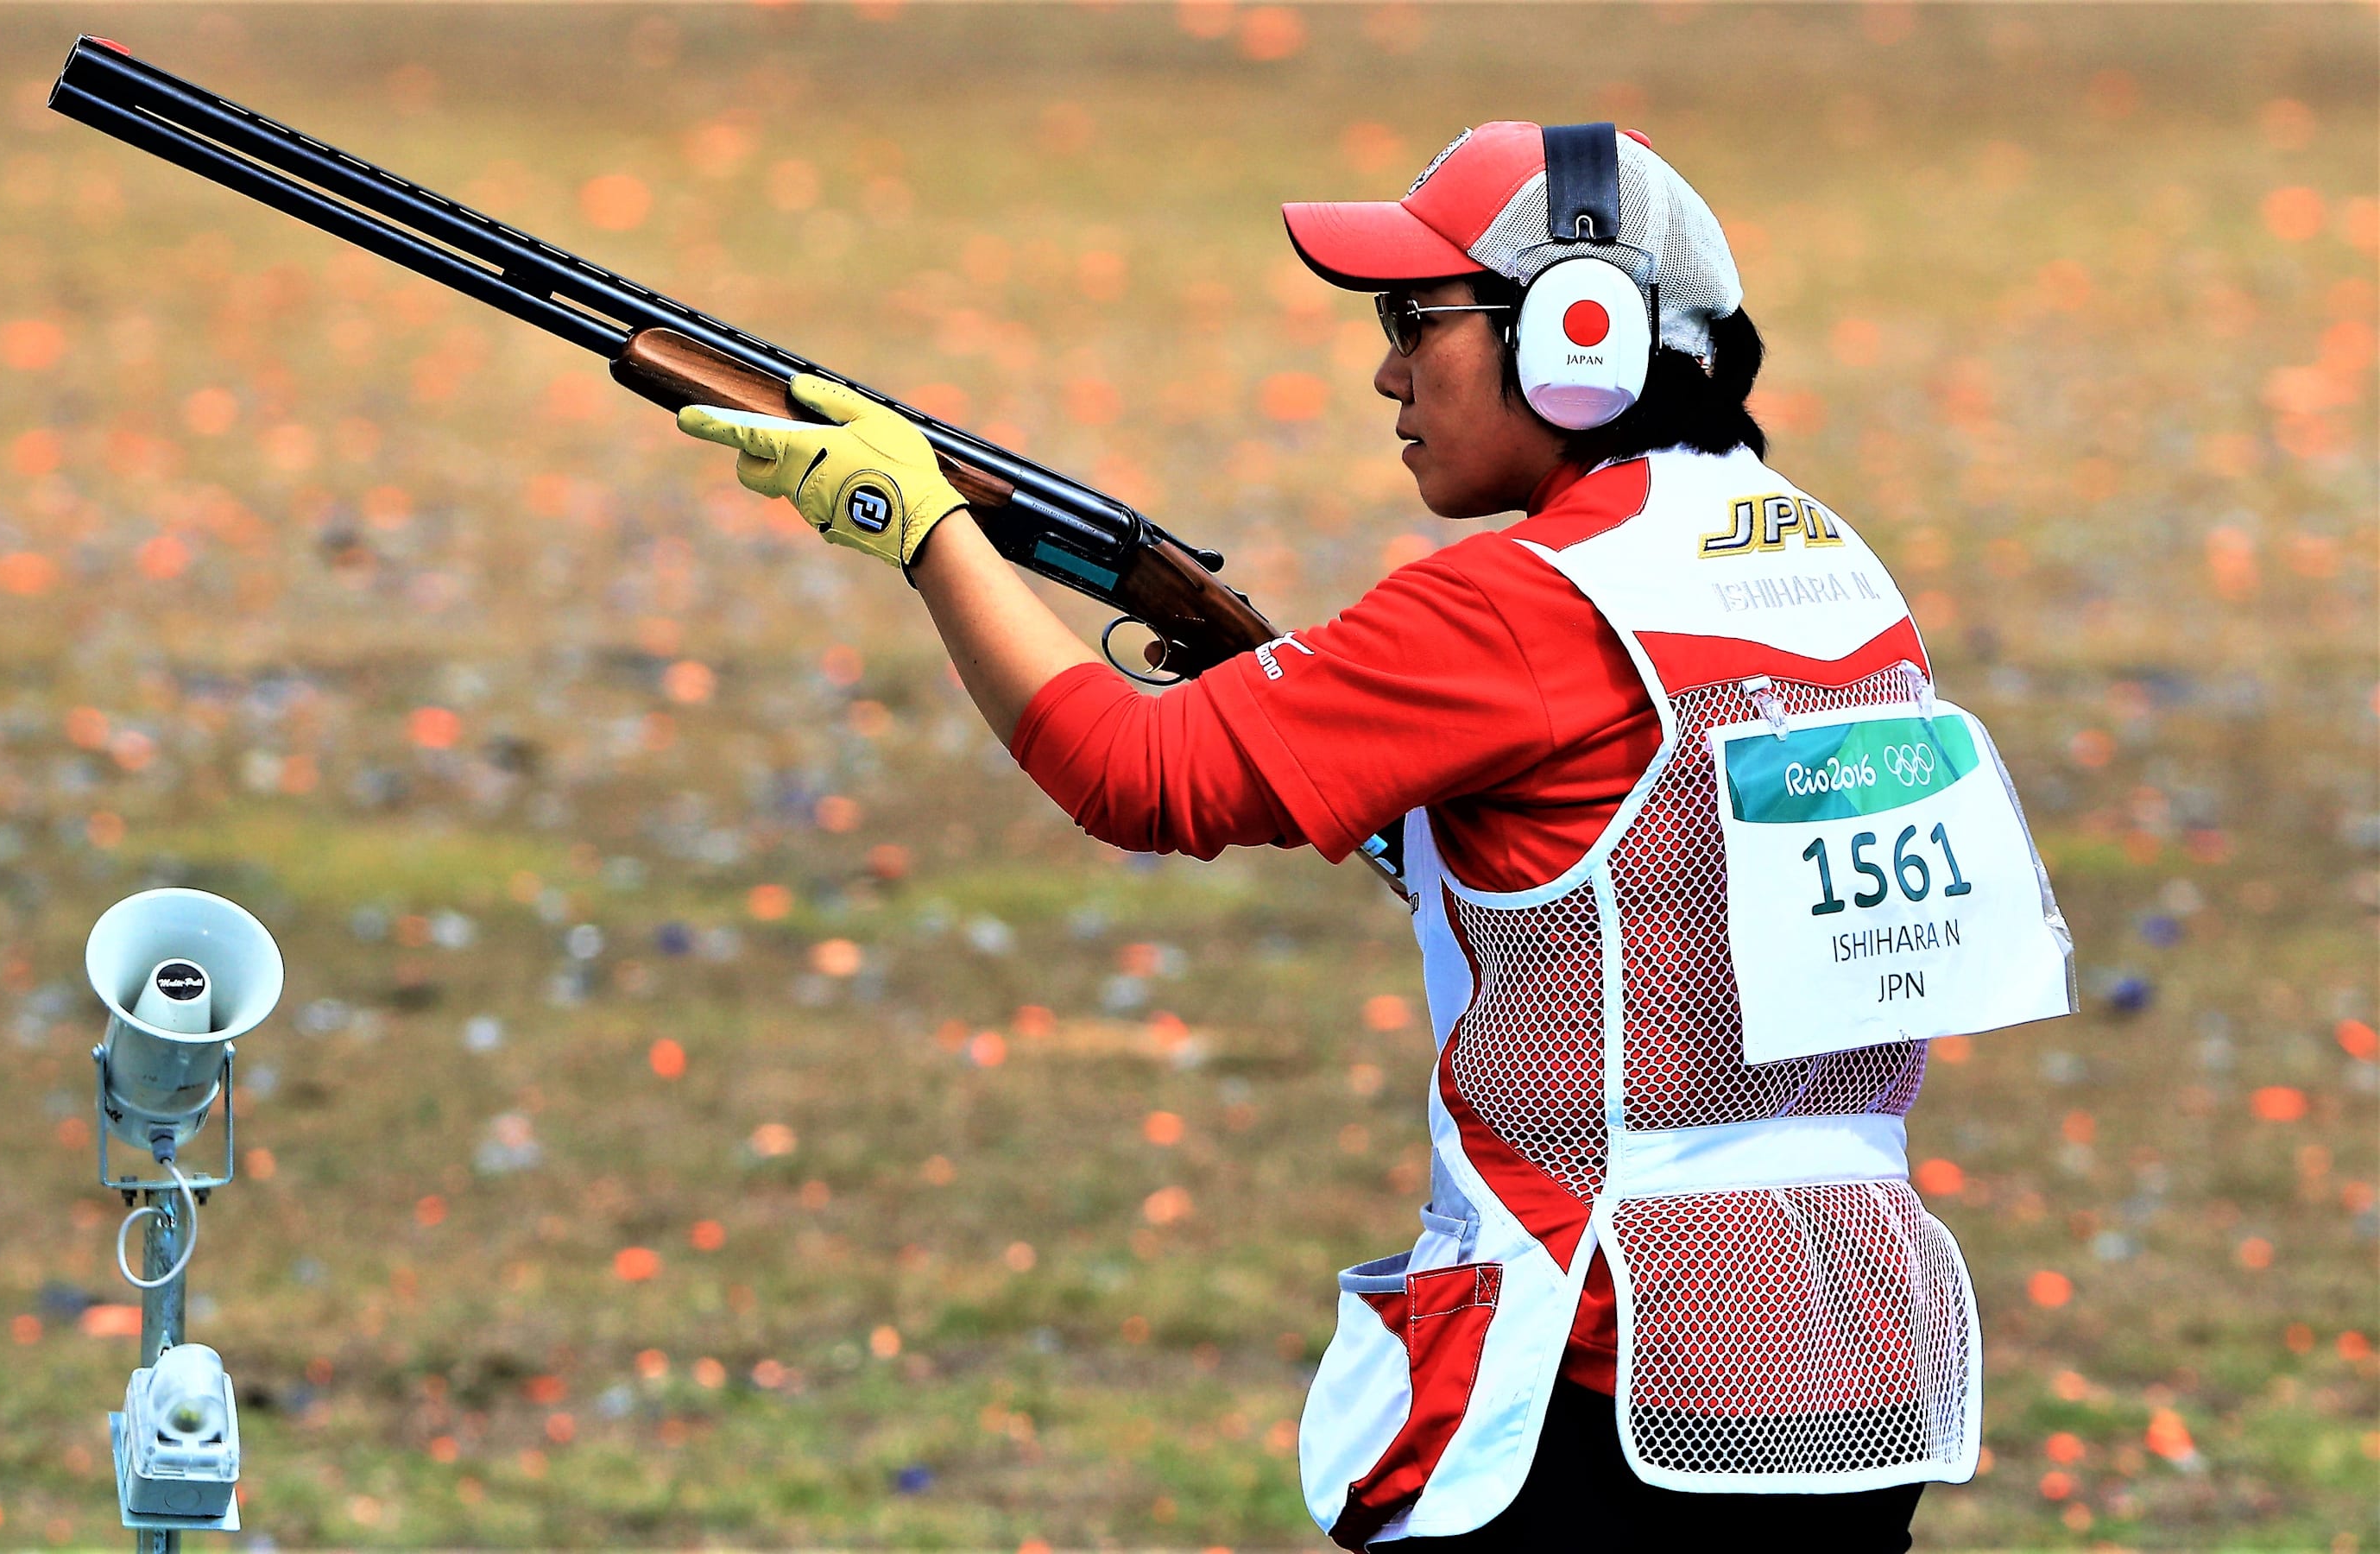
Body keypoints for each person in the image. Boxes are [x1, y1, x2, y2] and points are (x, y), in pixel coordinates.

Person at [679, 120, 2071, 1551]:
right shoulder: (1826, 565)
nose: (1389, 369)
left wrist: (920, 531)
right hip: (1841, 1372)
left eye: (1421, 318)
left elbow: (1132, 773)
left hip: (1595, 1381)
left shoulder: (1523, 602)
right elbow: (1645, 881)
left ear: (1574, 334)